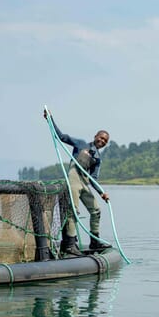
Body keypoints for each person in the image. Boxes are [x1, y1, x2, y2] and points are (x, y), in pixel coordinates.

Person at [44, 109, 111, 256]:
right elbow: (61, 137)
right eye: (101, 138)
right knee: (73, 211)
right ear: (95, 136)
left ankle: (95, 241)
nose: (102, 141)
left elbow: (94, 179)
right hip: (73, 179)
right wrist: (50, 119)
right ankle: (69, 244)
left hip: (84, 183)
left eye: (105, 140)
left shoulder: (98, 158)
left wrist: (102, 193)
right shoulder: (81, 144)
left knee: (96, 211)